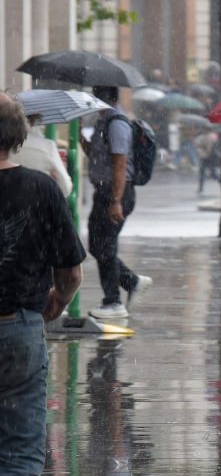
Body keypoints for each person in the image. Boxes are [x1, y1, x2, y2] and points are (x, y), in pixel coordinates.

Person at [0, 92, 86, 476]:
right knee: (18, 452)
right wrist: (57, 303)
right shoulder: (41, 189)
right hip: (19, 326)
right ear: (17, 136)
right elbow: (70, 272)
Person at [82, 86, 152, 320]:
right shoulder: (104, 122)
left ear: (103, 99)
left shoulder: (117, 124)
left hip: (115, 194)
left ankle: (112, 301)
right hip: (104, 193)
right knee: (97, 245)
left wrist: (115, 200)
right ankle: (131, 282)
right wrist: (81, 140)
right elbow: (99, 155)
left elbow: (120, 165)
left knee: (105, 246)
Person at [8, 114, 72, 197]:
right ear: (33, 119)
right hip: (38, 203)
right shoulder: (47, 147)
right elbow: (66, 187)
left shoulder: (5, 147)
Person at [194, 127, 220, 194]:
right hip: (208, 157)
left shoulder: (208, 137)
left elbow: (203, 147)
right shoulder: (211, 137)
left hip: (207, 157)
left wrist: (204, 152)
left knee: (211, 173)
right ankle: (200, 188)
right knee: (207, 173)